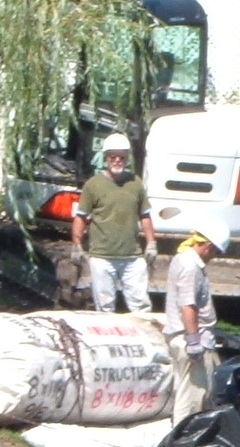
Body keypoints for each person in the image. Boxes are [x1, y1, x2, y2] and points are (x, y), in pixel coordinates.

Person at [73, 132, 157, 312]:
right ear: (106, 158)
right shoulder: (93, 185)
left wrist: (151, 243)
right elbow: (80, 217)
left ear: (127, 158)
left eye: (121, 157)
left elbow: (145, 215)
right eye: (113, 157)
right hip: (102, 256)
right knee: (105, 307)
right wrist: (77, 245)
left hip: (132, 257)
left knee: (141, 306)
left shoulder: (135, 183)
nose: (117, 160)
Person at [164, 218, 228, 423]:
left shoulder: (183, 259)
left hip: (182, 336)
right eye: (216, 252)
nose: (215, 257)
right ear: (208, 246)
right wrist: (194, 342)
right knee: (192, 398)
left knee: (190, 393)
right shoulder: (191, 267)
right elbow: (187, 306)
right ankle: (181, 440)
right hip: (189, 338)